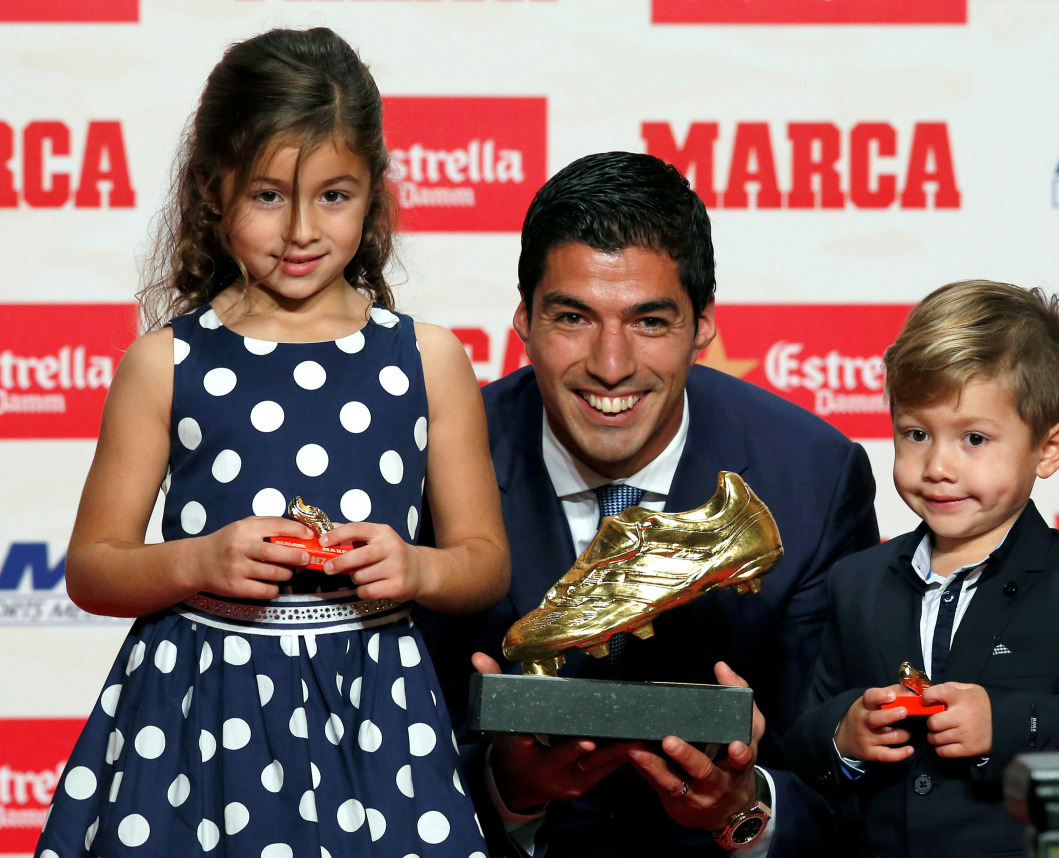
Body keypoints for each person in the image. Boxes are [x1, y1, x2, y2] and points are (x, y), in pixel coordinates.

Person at [36, 28, 508, 857]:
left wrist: (420, 565)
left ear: (375, 193)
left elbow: (485, 561)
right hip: (193, 716)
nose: (300, 230)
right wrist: (195, 560)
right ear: (213, 190)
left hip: (378, 714)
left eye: (334, 195)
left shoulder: (428, 360)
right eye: (266, 195)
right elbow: (92, 566)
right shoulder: (164, 364)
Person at [419, 151, 880, 857]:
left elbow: (843, 779)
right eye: (573, 317)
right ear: (524, 320)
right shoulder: (434, 465)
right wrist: (507, 790)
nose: (611, 365)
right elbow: (373, 759)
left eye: (650, 323)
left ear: (702, 328)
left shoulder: (812, 480)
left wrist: (742, 808)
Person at [782, 280, 1059, 857]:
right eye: (916, 434)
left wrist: (1006, 723)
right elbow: (803, 736)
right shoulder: (856, 581)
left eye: (974, 438)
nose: (938, 465)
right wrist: (844, 733)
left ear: (1049, 448)